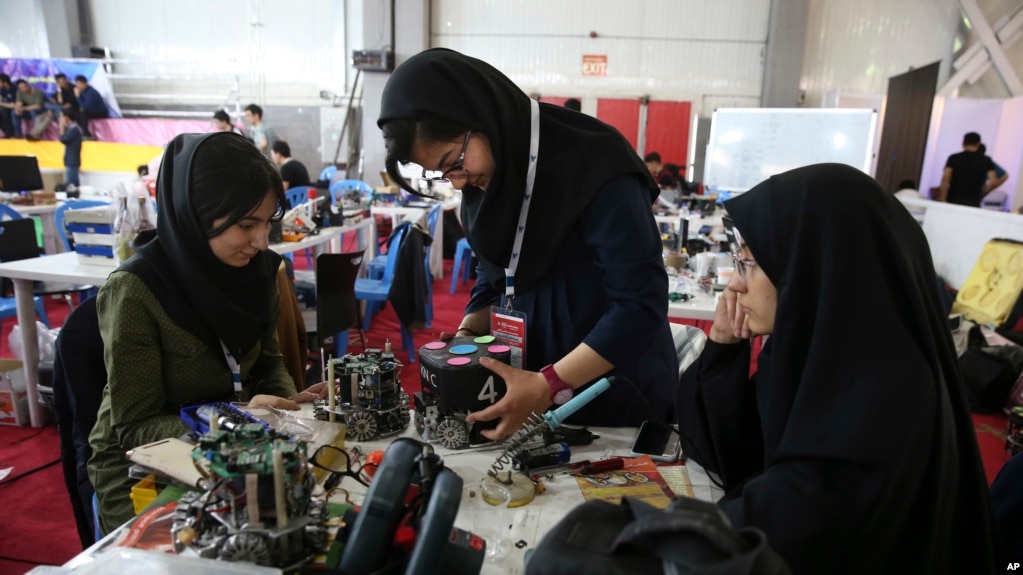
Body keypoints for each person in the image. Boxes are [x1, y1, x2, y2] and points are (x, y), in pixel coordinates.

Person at [675, 163, 997, 573]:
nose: (735, 284)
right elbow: (735, 454)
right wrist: (722, 346)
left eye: (750, 262)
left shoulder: (886, 393)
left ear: (813, 267)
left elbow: (796, 525)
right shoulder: (810, 354)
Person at [378, 48, 677, 440]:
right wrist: (468, 333)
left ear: (482, 117)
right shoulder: (485, 182)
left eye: (454, 161)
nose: (457, 182)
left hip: (613, 398)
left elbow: (640, 306)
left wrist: (550, 383)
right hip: (527, 393)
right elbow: (494, 279)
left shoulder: (596, 164)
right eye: (441, 173)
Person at [87, 132, 319, 533]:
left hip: (238, 448)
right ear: (193, 212)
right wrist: (238, 418)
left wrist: (282, 402)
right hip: (144, 468)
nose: (262, 242)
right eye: (247, 225)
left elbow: (267, 363)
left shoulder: (259, 274)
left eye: (267, 223)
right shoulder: (138, 292)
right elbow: (133, 428)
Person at [939, 132, 996, 207]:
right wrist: (981, 195)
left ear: (963, 143)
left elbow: (945, 178)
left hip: (953, 200)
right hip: (973, 202)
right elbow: (992, 182)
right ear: (978, 144)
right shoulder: (986, 160)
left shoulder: (954, 158)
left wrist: (943, 199)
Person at [74, 75, 109, 140]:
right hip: (91, 110)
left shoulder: (91, 92)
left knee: (83, 113)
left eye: (79, 84)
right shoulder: (83, 92)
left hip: (100, 112)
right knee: (76, 114)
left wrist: (77, 96)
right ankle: (87, 133)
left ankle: (85, 134)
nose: (77, 86)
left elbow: (85, 107)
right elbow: (82, 105)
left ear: (84, 83)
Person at [58, 113, 82, 187]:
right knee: (72, 182)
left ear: (67, 118)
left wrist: (61, 128)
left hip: (72, 160)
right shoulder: (71, 129)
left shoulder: (74, 130)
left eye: (62, 117)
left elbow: (63, 140)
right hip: (70, 160)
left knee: (72, 184)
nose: (60, 119)